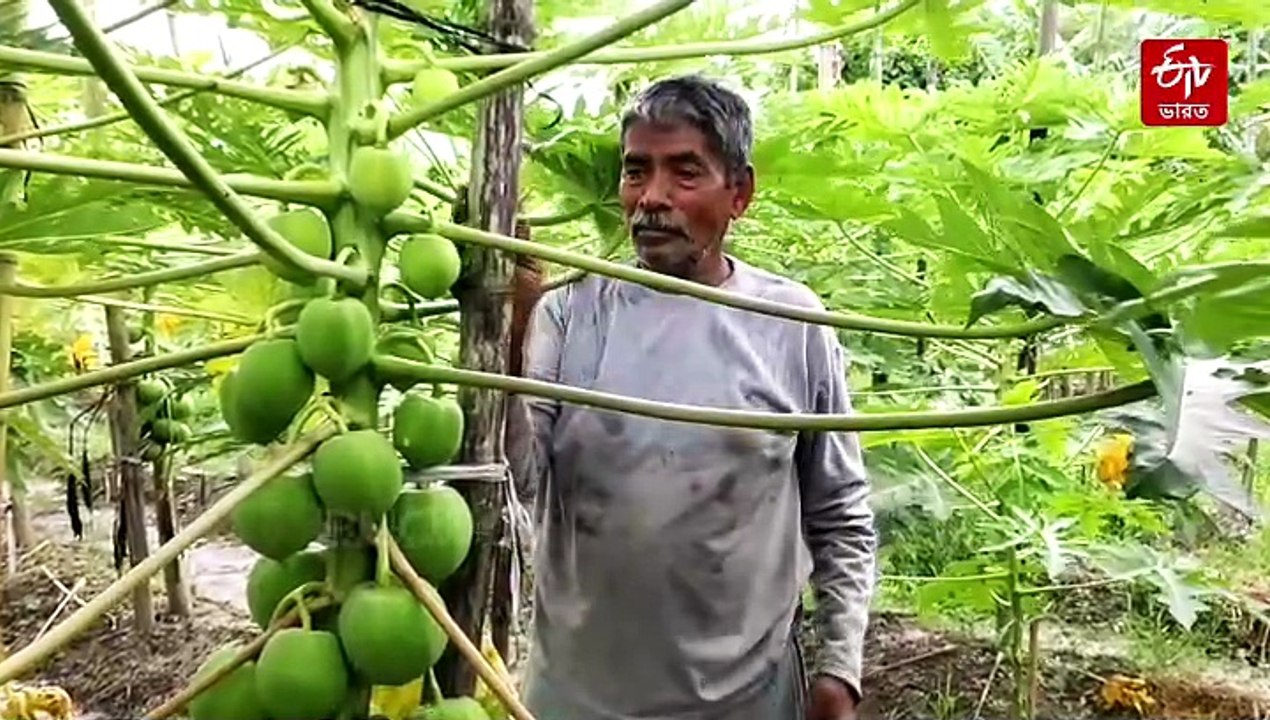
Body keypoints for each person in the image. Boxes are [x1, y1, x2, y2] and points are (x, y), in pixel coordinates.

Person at [514, 74, 877, 720]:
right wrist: (512, 331)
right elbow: (514, 482)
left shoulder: (791, 322)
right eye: (635, 172)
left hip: (747, 701)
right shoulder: (569, 313)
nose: (651, 198)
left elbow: (839, 511)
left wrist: (839, 666)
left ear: (739, 193)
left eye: (685, 173)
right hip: (575, 700)